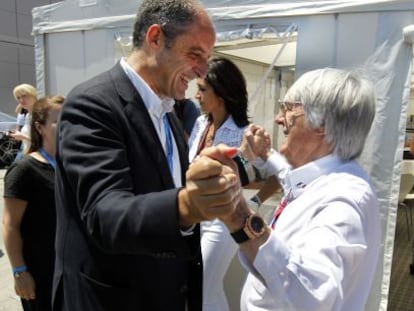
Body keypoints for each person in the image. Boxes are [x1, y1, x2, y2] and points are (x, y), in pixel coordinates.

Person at [52, 1, 239, 311]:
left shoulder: (166, 110)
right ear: (155, 38)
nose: (203, 71)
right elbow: (105, 214)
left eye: (207, 58)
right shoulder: (92, 104)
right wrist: (185, 205)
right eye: (195, 54)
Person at [187, 67, 381, 311]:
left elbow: (310, 296)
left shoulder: (344, 199)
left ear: (320, 123)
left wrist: (237, 213)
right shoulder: (330, 177)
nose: (279, 119)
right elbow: (290, 179)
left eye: (289, 109)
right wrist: (265, 154)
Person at [188, 56, 250, 311]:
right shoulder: (200, 123)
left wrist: (255, 199)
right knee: (203, 289)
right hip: (193, 218)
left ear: (221, 93)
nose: (196, 95)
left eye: (202, 89)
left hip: (222, 222)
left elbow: (272, 174)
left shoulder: (244, 132)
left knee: (203, 286)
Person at [2, 95, 64, 311]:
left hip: (72, 267)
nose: (67, 126)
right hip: (41, 271)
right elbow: (10, 226)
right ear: (40, 127)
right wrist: (20, 272)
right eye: (59, 121)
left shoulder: (73, 166)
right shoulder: (24, 170)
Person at [10, 84, 37, 159]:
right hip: (27, 153)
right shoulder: (28, 115)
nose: (21, 100)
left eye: (24, 95)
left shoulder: (40, 115)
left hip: (37, 156)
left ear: (33, 95)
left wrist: (23, 136)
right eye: (18, 97)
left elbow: (46, 140)